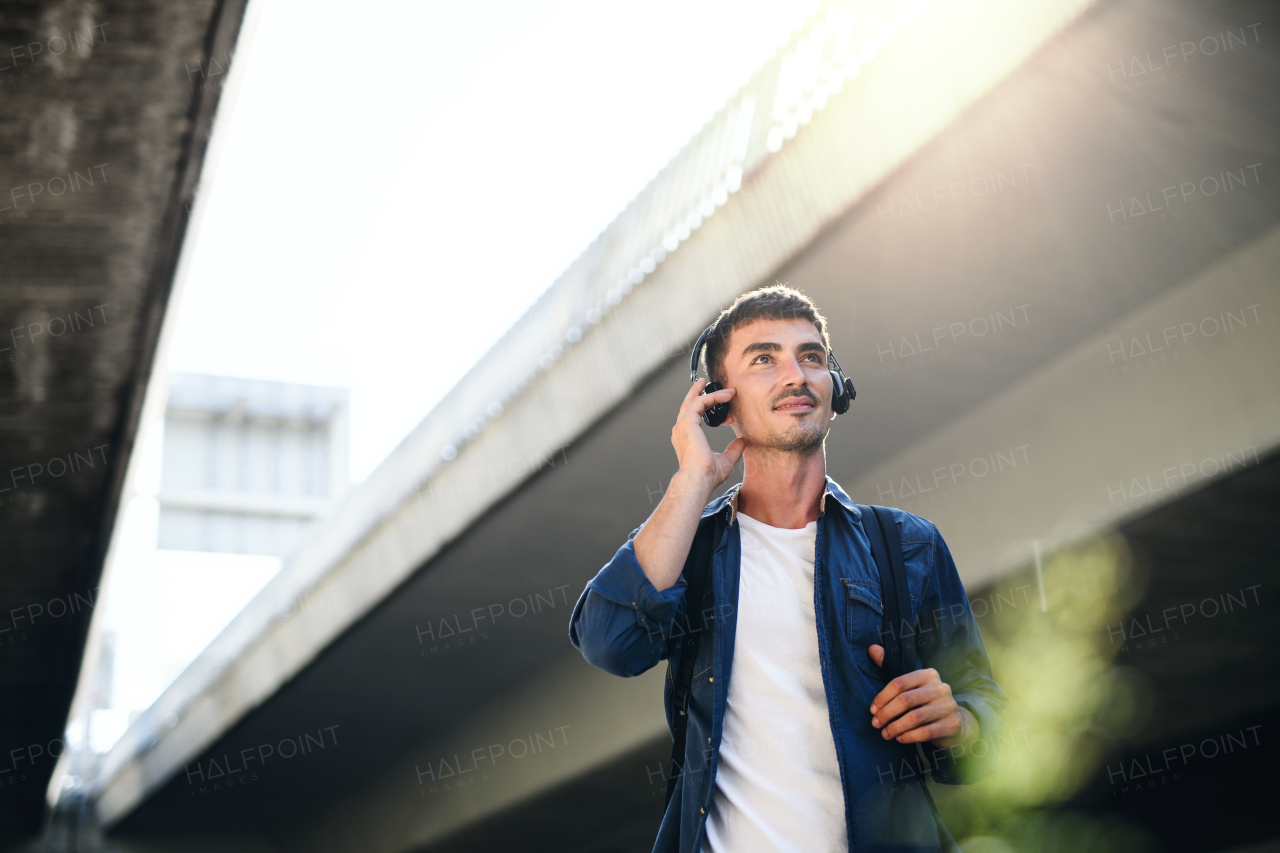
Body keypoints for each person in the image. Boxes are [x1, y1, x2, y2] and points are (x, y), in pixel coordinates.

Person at [569, 285, 1008, 852]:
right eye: (763, 359)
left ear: (835, 387)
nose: (795, 375)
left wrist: (960, 723)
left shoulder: (906, 545)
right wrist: (692, 481)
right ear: (718, 402)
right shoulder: (689, 549)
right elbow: (609, 644)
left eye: (812, 357)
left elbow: (992, 728)